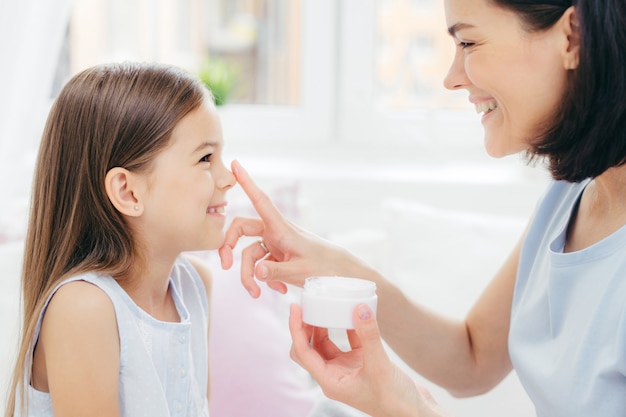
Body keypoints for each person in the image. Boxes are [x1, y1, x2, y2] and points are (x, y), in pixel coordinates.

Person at [218, 0, 626, 416]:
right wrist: (334, 266)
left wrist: (411, 410)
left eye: (468, 41)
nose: (451, 79)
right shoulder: (570, 195)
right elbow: (473, 358)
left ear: (572, 36)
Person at [4, 62, 236, 417]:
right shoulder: (84, 309)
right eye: (206, 158)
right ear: (128, 192)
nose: (228, 177)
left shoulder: (195, 285)